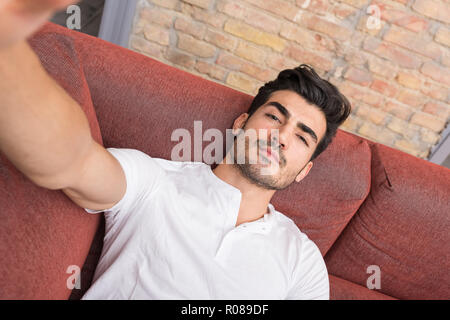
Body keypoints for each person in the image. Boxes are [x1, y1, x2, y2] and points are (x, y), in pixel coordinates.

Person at [0, 0, 351, 299]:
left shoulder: (302, 262)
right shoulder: (156, 182)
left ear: (305, 170)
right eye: (275, 117)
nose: (281, 136)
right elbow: (70, 161)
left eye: (303, 137)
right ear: (240, 124)